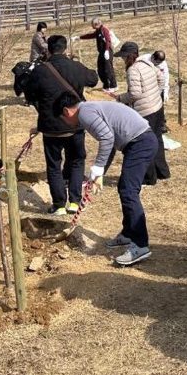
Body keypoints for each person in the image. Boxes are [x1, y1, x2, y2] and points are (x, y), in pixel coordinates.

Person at [54, 92, 159, 266]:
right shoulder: (89, 110)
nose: (67, 124)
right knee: (124, 189)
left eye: (63, 119)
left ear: (66, 111)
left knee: (128, 191)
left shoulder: (85, 113)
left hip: (141, 142)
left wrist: (98, 167)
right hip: (140, 141)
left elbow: (107, 138)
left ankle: (140, 245)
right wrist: (99, 172)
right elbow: (109, 141)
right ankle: (128, 233)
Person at [23, 35, 98, 215]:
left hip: (51, 127)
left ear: (48, 49)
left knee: (54, 165)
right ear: (65, 49)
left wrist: (40, 107)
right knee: (77, 161)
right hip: (75, 123)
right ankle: (74, 201)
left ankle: (58, 204)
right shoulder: (75, 67)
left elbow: (28, 92)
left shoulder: (40, 71)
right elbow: (93, 79)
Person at [115, 42, 170, 184]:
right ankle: (162, 172)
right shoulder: (147, 63)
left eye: (123, 57)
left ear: (129, 56)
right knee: (157, 139)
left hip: (146, 112)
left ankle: (149, 177)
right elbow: (161, 78)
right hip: (158, 107)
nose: (122, 60)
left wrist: (120, 98)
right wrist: (155, 94)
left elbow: (135, 93)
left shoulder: (132, 70)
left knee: (146, 144)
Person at [79, 18, 117, 93]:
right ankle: (106, 85)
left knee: (108, 69)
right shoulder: (98, 31)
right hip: (101, 52)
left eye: (92, 25)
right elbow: (91, 35)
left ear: (96, 24)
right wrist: (79, 37)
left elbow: (108, 40)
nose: (91, 26)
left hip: (107, 51)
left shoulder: (104, 30)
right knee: (100, 69)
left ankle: (114, 86)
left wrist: (106, 50)